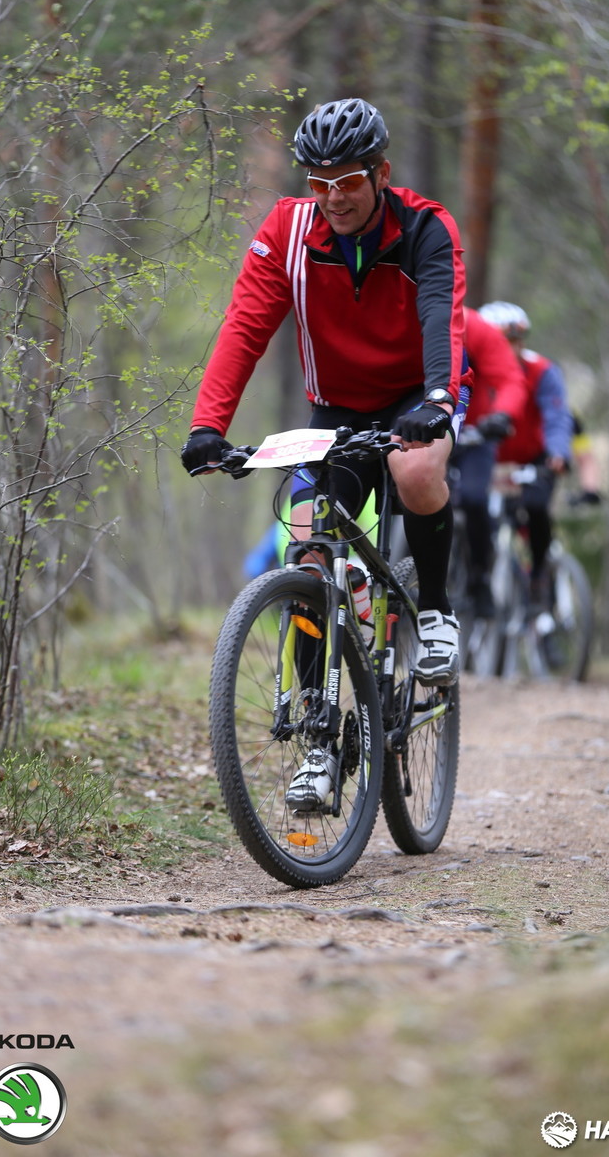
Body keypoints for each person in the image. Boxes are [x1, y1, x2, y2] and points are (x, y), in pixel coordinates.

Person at [181, 97, 469, 811]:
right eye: (320, 182)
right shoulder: (289, 231)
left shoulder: (426, 228)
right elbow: (245, 323)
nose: (333, 197)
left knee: (415, 468)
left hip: (416, 397)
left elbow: (443, 316)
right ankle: (318, 742)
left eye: (348, 181)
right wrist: (207, 426)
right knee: (309, 551)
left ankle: (433, 609)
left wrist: (437, 400)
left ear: (380, 174)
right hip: (334, 411)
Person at [477, 301, 573, 607]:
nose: (512, 348)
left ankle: (539, 575)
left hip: (532, 458)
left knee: (535, 507)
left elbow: (557, 416)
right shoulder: (471, 370)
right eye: (503, 341)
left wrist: (558, 452)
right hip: (486, 458)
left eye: (517, 340)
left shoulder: (542, 371)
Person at [452, 307, 529, 617]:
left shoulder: (476, 329)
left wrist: (502, 415)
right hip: (424, 428)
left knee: (472, 498)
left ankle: (479, 577)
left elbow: (511, 379)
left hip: (476, 435)